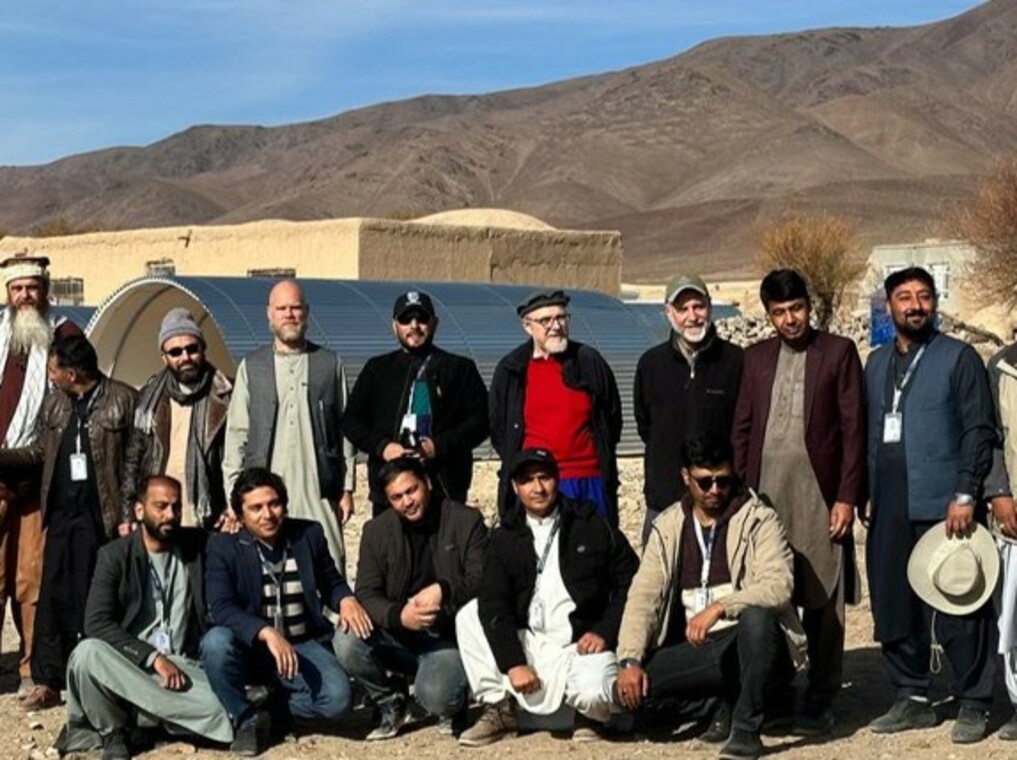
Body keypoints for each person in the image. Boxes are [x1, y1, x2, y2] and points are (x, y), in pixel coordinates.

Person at [864, 266, 997, 744]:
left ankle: (975, 700)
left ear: (934, 303)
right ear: (889, 307)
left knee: (961, 601)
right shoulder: (875, 363)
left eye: (923, 296)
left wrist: (966, 493)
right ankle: (912, 697)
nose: (915, 305)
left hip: (945, 503)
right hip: (888, 503)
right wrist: (865, 493)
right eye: (904, 297)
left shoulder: (959, 358)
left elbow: (979, 430)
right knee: (894, 602)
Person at [731, 268, 865, 733]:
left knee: (824, 596)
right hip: (765, 497)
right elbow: (742, 428)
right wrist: (740, 497)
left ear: (809, 306)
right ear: (768, 315)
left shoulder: (838, 353)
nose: (790, 319)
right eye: (779, 312)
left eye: (797, 309)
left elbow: (853, 431)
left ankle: (822, 696)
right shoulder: (756, 358)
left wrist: (846, 496)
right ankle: (778, 693)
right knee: (772, 592)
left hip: (819, 494)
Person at [615, 433, 804, 760]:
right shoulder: (668, 526)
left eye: (723, 480)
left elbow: (778, 585)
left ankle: (746, 728)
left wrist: (721, 607)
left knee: (757, 618)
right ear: (686, 477)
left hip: (748, 642)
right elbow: (644, 596)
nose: (715, 490)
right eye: (705, 482)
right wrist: (629, 660)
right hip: (699, 649)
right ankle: (721, 702)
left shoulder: (759, 519)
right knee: (629, 693)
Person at [455, 448, 638, 746]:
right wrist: (514, 663)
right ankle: (500, 708)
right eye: (527, 480)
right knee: (470, 615)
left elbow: (630, 581)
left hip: (580, 645)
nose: (538, 488)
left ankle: (588, 715)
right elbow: (494, 602)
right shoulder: (505, 536)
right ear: (515, 487)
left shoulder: (590, 523)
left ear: (557, 479)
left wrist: (604, 630)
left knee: (593, 691)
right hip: (530, 642)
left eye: (544, 477)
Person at [0, 334, 136, 711]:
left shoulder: (123, 400)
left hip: (102, 516)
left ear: (71, 374)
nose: (50, 376)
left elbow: (133, 461)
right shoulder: (57, 403)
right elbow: (41, 453)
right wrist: (4, 458)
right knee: (53, 595)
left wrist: (128, 513)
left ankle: (100, 678)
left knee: (98, 597)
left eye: (53, 370)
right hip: (61, 515)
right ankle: (48, 680)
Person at [59, 476, 232, 760]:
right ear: (140, 511)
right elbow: (96, 622)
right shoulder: (114, 555)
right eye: (161, 507)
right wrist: (152, 658)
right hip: (131, 664)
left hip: (182, 669)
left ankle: (138, 718)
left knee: (222, 706)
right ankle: (116, 729)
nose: (170, 515)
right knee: (86, 654)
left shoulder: (197, 545)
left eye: (176, 507)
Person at [202, 468, 370, 755]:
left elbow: (331, 582)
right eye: (256, 508)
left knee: (338, 699)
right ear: (240, 516)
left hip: (302, 643)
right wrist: (265, 632)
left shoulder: (308, 534)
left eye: (274, 504)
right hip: (251, 646)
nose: (267, 514)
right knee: (215, 643)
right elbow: (221, 607)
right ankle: (246, 718)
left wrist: (345, 599)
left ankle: (270, 707)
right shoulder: (223, 546)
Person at [334, 457, 488, 740]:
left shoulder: (466, 521)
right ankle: (389, 699)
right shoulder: (376, 531)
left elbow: (481, 577)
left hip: (446, 636)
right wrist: (399, 615)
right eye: (397, 497)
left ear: (427, 483)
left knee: (437, 698)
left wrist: (443, 588)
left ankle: (453, 699)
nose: (407, 501)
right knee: (346, 639)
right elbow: (366, 592)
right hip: (398, 633)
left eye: (411, 490)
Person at [222, 279, 356, 572]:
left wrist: (347, 489)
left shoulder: (329, 364)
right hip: (265, 497)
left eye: (295, 307)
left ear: (307, 312)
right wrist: (234, 494)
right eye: (282, 308)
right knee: (268, 572)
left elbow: (344, 431)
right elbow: (236, 435)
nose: (289, 315)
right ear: (269, 314)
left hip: (319, 493)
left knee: (329, 564)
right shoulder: (251, 367)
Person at [0, 254, 82, 697]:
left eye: (32, 287)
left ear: (46, 290)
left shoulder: (65, 334)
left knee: (31, 577)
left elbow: (80, 391)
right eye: (17, 289)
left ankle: (34, 669)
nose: (25, 296)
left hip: (41, 479)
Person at [344, 290, 489, 517]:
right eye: (406, 319)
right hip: (390, 489)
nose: (414, 326)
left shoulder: (459, 369)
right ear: (394, 326)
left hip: (444, 488)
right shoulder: (377, 369)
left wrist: (438, 446)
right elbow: (352, 421)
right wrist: (383, 447)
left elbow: (481, 421)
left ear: (434, 324)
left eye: (421, 319)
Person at [489, 290, 622, 524]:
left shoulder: (588, 361)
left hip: (588, 477)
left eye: (561, 318)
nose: (556, 326)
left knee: (595, 542)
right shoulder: (512, 369)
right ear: (527, 326)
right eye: (545, 320)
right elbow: (499, 428)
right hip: (539, 482)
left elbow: (611, 417)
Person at [634, 274, 743, 544]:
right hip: (664, 502)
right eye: (682, 309)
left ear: (710, 307)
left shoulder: (736, 361)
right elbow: (645, 426)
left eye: (698, 306)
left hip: (720, 502)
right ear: (669, 313)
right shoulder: (651, 365)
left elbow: (743, 428)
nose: (692, 316)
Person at [121, 308, 234, 533]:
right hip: (161, 515)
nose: (185, 358)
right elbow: (134, 459)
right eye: (175, 352)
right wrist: (128, 513)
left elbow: (241, 455)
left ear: (203, 348)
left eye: (192, 348)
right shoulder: (149, 398)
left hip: (209, 515)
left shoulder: (228, 394)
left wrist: (233, 507)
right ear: (164, 357)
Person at [985, 340, 1017, 739]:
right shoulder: (1002, 366)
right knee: (1015, 615)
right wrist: (998, 493)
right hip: (1014, 516)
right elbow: (990, 437)